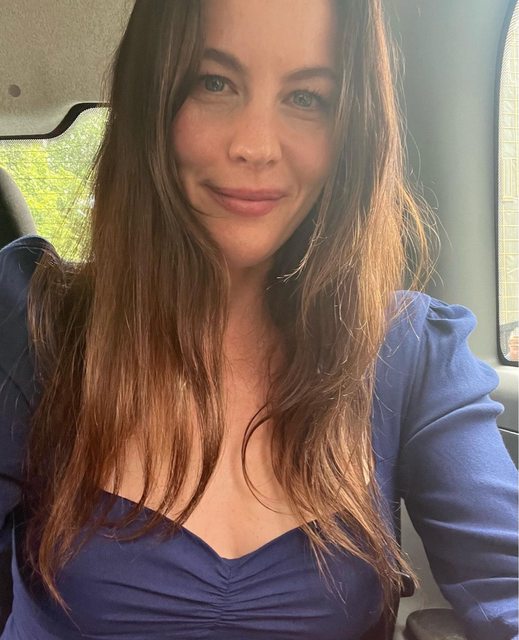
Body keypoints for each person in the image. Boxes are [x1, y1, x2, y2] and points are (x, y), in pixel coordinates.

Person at [0, 1, 517, 639]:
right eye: (215, 83)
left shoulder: (409, 350)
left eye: (306, 97)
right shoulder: (34, 322)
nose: (255, 145)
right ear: (151, 100)